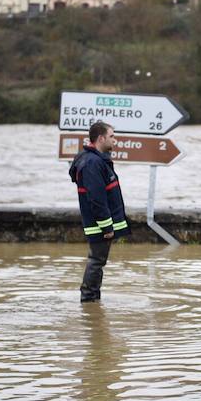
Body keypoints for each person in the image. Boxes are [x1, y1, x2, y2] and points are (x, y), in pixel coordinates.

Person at [68, 121, 131, 303]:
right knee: (96, 261)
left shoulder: (95, 160)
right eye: (112, 136)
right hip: (100, 225)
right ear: (101, 138)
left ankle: (93, 302)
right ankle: (88, 300)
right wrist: (107, 227)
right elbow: (96, 199)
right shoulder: (92, 163)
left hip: (101, 224)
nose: (115, 140)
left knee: (98, 261)